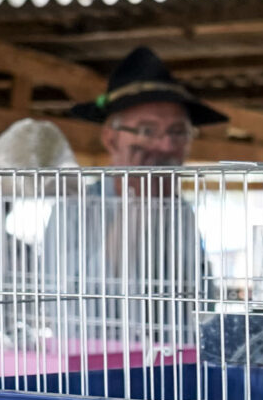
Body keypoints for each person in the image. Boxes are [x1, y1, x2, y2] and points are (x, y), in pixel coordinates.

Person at [32, 46, 224, 357]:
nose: (166, 146)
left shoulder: (180, 211)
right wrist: (135, 205)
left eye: (178, 132)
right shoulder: (74, 209)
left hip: (177, 365)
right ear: (111, 138)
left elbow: (201, 301)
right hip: (96, 367)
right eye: (148, 131)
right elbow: (77, 306)